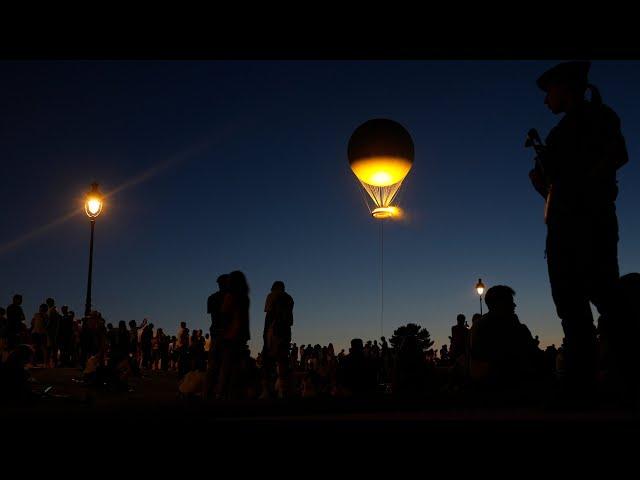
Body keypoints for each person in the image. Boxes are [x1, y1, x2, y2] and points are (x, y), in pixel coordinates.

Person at [529, 61, 629, 391]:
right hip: (565, 225)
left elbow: (614, 157)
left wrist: (579, 189)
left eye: (549, 93)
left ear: (565, 88)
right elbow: (561, 185)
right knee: (574, 305)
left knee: (600, 301)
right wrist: (546, 187)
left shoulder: (596, 118)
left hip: (586, 222)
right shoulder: (565, 130)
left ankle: (613, 378)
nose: (546, 101)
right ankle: (589, 381)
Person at [470, 285, 541, 387]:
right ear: (500, 304)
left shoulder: (478, 326)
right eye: (510, 302)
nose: (514, 305)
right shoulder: (513, 327)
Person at [217, 271, 250, 399]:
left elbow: (224, 315)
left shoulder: (230, 296)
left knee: (226, 365)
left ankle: (222, 393)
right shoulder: (245, 297)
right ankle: (234, 393)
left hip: (230, 334)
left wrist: (224, 332)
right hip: (241, 334)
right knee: (237, 366)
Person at [260, 280, 294, 399]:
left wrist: (265, 333)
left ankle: (267, 390)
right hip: (285, 332)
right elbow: (290, 320)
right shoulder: (289, 299)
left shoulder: (272, 296)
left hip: (273, 331)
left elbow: (269, 315)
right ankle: (283, 390)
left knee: (267, 361)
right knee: (283, 361)